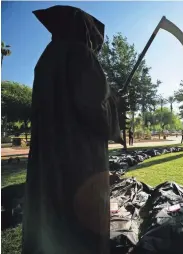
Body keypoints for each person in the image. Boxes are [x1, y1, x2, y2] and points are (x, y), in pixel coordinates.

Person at [22, 6, 123, 254]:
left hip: (49, 157)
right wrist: (113, 105)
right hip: (80, 159)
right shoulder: (81, 55)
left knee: (51, 211)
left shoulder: (45, 60)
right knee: (81, 217)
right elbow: (95, 112)